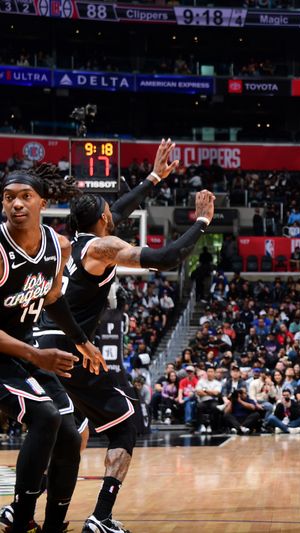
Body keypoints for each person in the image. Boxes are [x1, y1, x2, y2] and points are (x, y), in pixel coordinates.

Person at [33, 141, 215, 533]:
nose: (113, 215)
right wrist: (201, 222)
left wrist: (154, 177)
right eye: (108, 212)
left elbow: (120, 208)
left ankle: (24, 504)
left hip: (39, 343)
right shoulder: (102, 246)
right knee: (125, 423)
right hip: (69, 347)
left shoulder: (74, 242)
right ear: (102, 219)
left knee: (68, 429)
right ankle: (100, 515)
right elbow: (167, 258)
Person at [0, 164, 106, 533]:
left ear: (42, 202)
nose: (17, 204)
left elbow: (55, 298)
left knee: (70, 434)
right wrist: (35, 355)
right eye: (9, 197)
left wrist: (82, 340)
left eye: (25, 196)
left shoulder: (57, 246)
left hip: (23, 350)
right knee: (44, 417)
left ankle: (55, 524)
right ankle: (21, 517)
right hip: (6, 354)